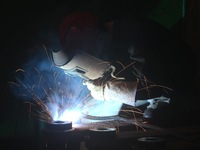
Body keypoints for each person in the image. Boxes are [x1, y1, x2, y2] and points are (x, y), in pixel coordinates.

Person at [46, 7, 198, 122]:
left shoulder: (131, 34)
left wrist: (108, 91)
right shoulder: (109, 39)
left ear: (94, 37)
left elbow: (154, 87)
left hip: (188, 88)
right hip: (163, 87)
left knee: (155, 117)